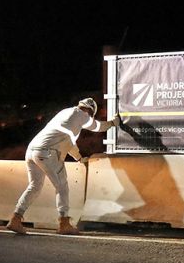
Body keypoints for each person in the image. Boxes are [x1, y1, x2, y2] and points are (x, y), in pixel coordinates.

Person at [8, 98, 119, 235]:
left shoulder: (65, 113)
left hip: (32, 150)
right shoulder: (82, 115)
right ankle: (64, 223)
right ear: (90, 111)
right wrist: (113, 123)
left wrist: (79, 158)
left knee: (35, 186)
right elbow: (98, 127)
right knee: (62, 187)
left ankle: (16, 218)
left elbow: (69, 143)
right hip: (47, 152)